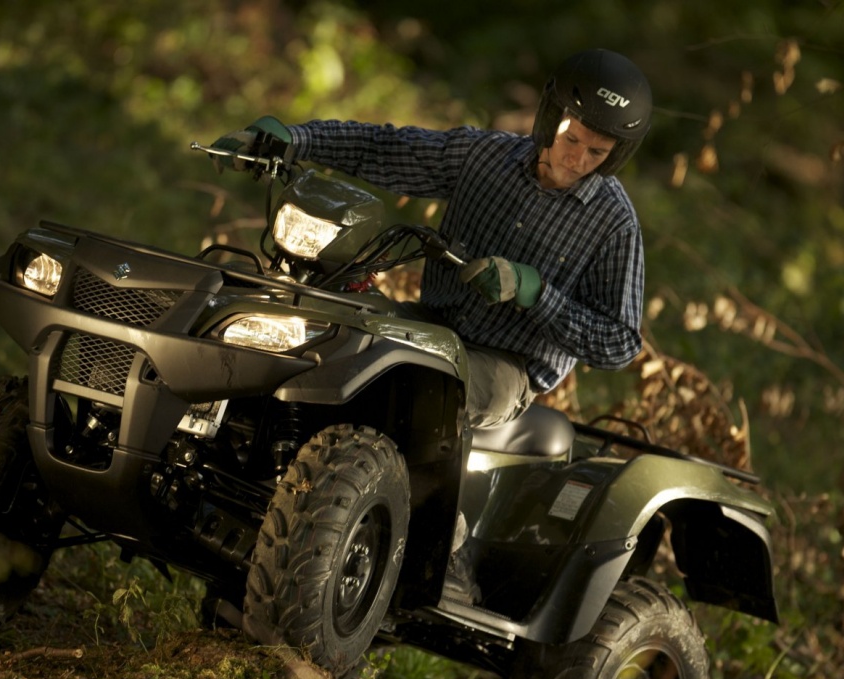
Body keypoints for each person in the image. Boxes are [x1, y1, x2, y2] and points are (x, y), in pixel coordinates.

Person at [213, 48, 652, 429]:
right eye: (571, 139)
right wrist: (297, 139)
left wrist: (535, 292)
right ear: (551, 118)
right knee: (310, 327)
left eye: (597, 152)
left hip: (505, 367)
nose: (577, 159)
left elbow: (620, 345)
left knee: (412, 382)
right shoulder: (485, 156)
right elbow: (387, 149)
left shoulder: (614, 223)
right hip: (426, 321)